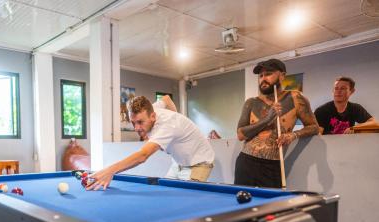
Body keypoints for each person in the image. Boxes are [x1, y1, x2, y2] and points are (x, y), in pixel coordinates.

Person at [87, 96, 215, 190]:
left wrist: (110, 171)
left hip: (199, 163)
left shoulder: (167, 125)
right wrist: (178, 121)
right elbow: (166, 98)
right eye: (133, 122)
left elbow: (143, 156)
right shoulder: (151, 109)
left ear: (153, 117)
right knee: (165, 193)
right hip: (178, 162)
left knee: (187, 200)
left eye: (140, 122)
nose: (136, 128)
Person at [235, 58, 319, 188]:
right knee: (243, 204)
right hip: (246, 161)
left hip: (272, 164)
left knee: (271, 206)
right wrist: (267, 119)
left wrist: (293, 135)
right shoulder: (251, 102)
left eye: (268, 74)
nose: (263, 79)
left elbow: (314, 127)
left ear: (282, 75)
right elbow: (240, 135)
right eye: (261, 76)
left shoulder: (295, 98)